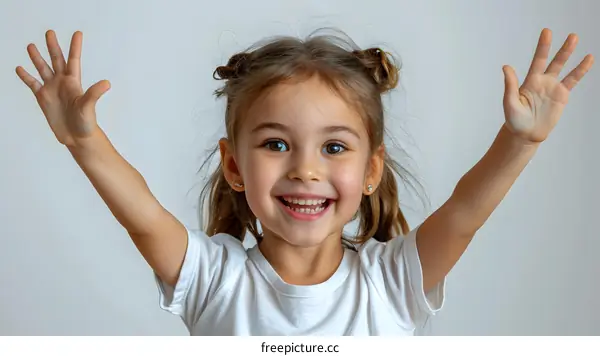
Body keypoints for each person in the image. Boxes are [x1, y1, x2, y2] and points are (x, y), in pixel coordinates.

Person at [16, 28, 593, 336]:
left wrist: (521, 140)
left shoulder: (391, 283)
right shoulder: (214, 278)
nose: (305, 169)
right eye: (275, 144)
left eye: (334, 147)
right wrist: (83, 140)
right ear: (235, 167)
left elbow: (466, 211)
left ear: (371, 171)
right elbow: (141, 215)